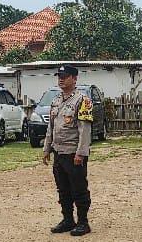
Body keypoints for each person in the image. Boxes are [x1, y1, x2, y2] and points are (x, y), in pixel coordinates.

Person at [41, 65, 93, 236]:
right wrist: (46, 148)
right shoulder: (56, 100)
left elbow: (84, 130)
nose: (61, 79)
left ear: (75, 79)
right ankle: (68, 220)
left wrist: (81, 153)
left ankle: (83, 222)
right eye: (59, 76)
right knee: (63, 189)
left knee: (79, 189)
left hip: (73, 153)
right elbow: (51, 127)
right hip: (59, 152)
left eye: (65, 76)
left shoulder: (82, 101)